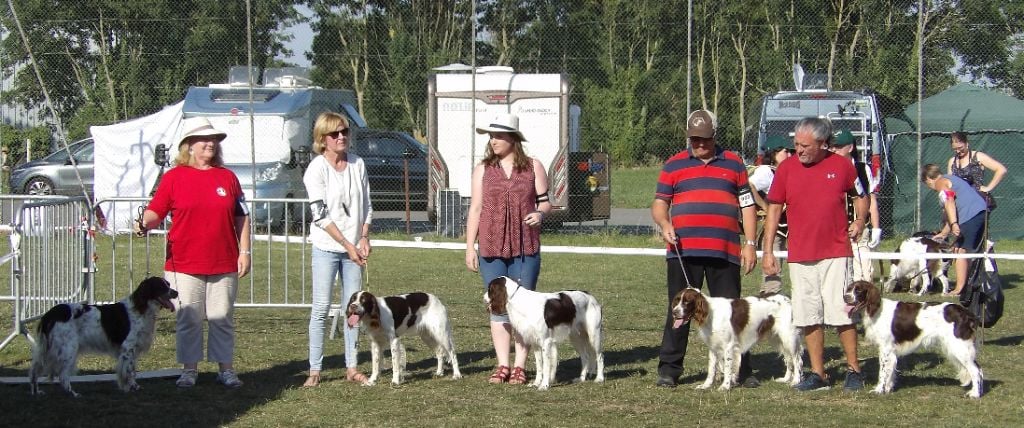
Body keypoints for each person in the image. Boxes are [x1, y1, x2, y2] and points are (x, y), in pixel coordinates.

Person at [134, 117, 251, 388]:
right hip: (184, 263)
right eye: (204, 139)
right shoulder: (174, 177)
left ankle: (226, 370)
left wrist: (244, 251)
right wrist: (144, 223)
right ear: (189, 145)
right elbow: (157, 210)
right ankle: (189, 370)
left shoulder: (228, 177)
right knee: (189, 318)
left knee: (222, 318)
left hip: (224, 261)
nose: (210, 143)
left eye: (214, 140)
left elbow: (241, 217)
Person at [651, 109, 759, 388]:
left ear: (715, 135)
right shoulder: (673, 165)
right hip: (683, 252)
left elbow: (747, 206)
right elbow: (660, 204)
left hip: (724, 251)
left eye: (704, 139)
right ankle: (670, 369)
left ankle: (741, 371)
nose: (699, 145)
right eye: (694, 139)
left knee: (734, 313)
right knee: (678, 310)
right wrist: (665, 225)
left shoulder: (734, 164)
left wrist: (750, 244)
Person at [761, 117, 868, 392]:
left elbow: (861, 195)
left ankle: (854, 370)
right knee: (808, 316)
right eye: (796, 144)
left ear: (822, 144)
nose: (799, 150)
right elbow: (773, 209)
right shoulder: (785, 169)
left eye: (805, 145)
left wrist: (860, 220)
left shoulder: (842, 165)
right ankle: (818, 374)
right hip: (799, 254)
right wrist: (769, 250)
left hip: (835, 251)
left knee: (842, 313)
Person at [465, 113, 551, 385]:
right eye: (491, 136)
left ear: (514, 138)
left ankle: (520, 366)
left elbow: (546, 202)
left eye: (499, 135)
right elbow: (476, 209)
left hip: (525, 246)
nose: (493, 141)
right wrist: (470, 247)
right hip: (491, 247)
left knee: (523, 308)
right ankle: (502, 364)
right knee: (498, 307)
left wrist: (540, 214)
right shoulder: (482, 169)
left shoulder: (534, 166)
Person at [302, 112, 373, 387]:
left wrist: (364, 237)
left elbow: (367, 204)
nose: (341, 137)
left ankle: (352, 366)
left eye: (344, 131)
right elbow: (320, 214)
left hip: (354, 248)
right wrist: (346, 244)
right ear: (323, 139)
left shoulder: (358, 164)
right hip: (327, 246)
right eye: (335, 134)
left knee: (353, 309)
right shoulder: (316, 169)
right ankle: (315, 369)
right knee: (321, 308)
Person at [921, 164, 988, 296]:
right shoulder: (949, 178)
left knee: (961, 251)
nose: (928, 186)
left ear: (928, 179)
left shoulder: (940, 182)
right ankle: (967, 284)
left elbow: (949, 201)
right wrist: (943, 233)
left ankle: (959, 289)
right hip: (979, 211)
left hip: (971, 215)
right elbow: (949, 212)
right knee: (959, 248)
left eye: (926, 183)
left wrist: (954, 224)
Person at [828, 130, 882, 282]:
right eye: (832, 147)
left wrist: (876, 228)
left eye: (838, 147)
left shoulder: (862, 169)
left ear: (850, 148)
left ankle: (864, 300)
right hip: (836, 228)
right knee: (841, 272)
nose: (833, 150)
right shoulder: (828, 168)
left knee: (864, 272)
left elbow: (871, 199)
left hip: (859, 227)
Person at [749, 135, 792, 296]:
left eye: (790, 152)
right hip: (775, 228)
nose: (789, 155)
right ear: (773, 154)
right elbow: (748, 185)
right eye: (785, 152)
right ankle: (769, 304)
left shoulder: (788, 170)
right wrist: (764, 206)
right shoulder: (767, 171)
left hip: (790, 227)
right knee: (773, 272)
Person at [946, 131, 1007, 205]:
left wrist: (988, 188)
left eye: (960, 148)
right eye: (955, 149)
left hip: (977, 201)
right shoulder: (952, 161)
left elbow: (1001, 169)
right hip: (960, 202)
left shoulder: (978, 156)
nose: (958, 151)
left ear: (967, 144)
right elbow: (950, 183)